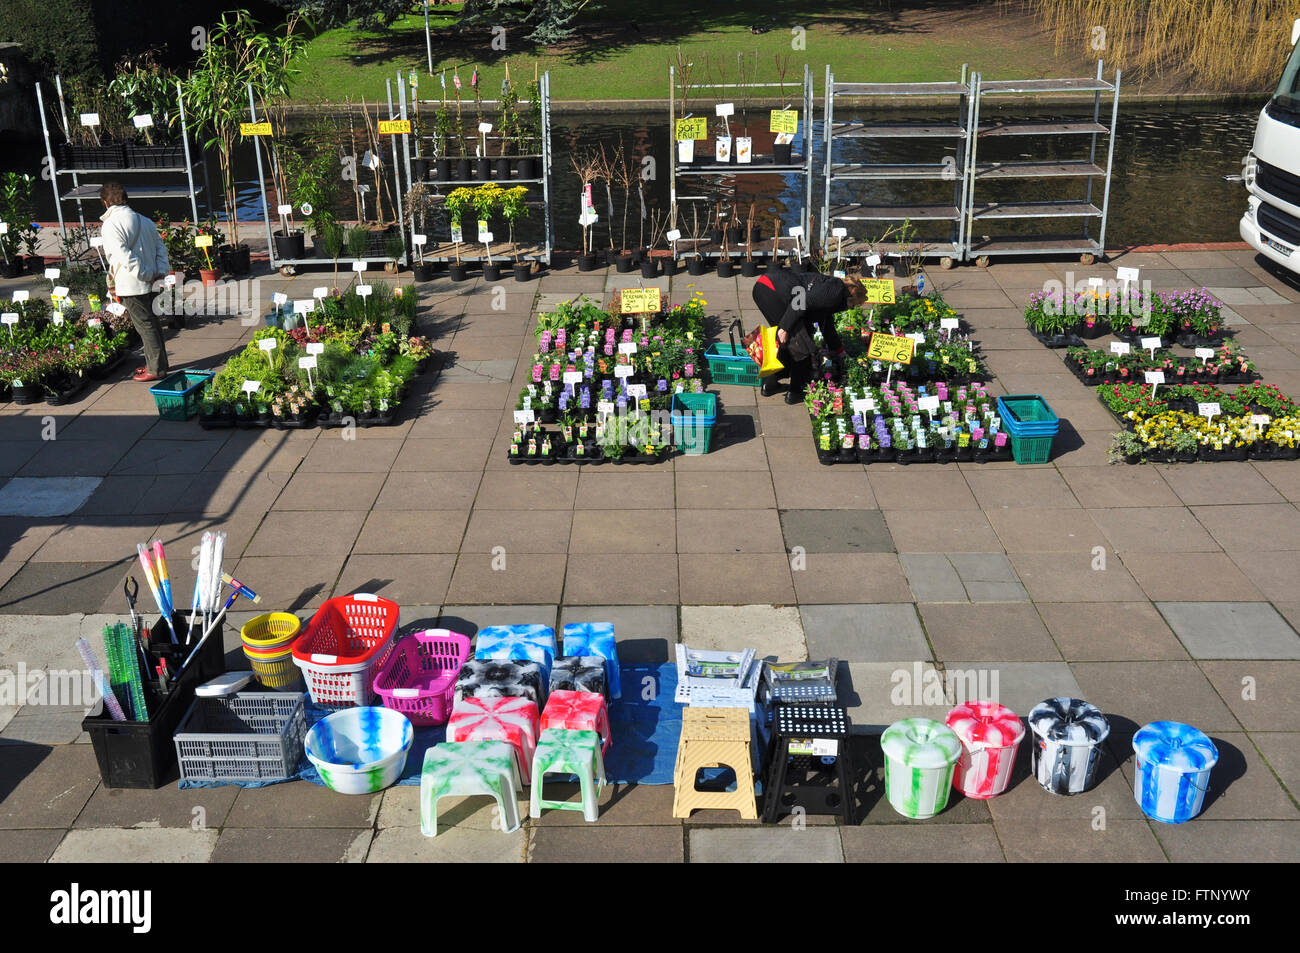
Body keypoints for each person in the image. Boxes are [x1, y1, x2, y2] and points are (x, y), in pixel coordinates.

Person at [750, 269, 865, 403]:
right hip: (775, 291)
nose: (850, 308)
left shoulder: (832, 289)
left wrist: (839, 350)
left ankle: (769, 384)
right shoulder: (836, 291)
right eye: (853, 305)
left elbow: (826, 324)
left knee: (788, 343)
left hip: (765, 287)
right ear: (851, 296)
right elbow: (802, 301)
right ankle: (795, 393)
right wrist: (785, 327)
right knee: (802, 348)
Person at [100, 183, 170, 382]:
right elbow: (160, 248)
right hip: (153, 280)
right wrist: (160, 272)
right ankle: (159, 364)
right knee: (153, 324)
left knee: (145, 326)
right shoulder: (145, 220)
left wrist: (146, 274)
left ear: (105, 202)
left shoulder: (111, 225)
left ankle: (156, 369)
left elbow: (124, 256)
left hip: (132, 284)